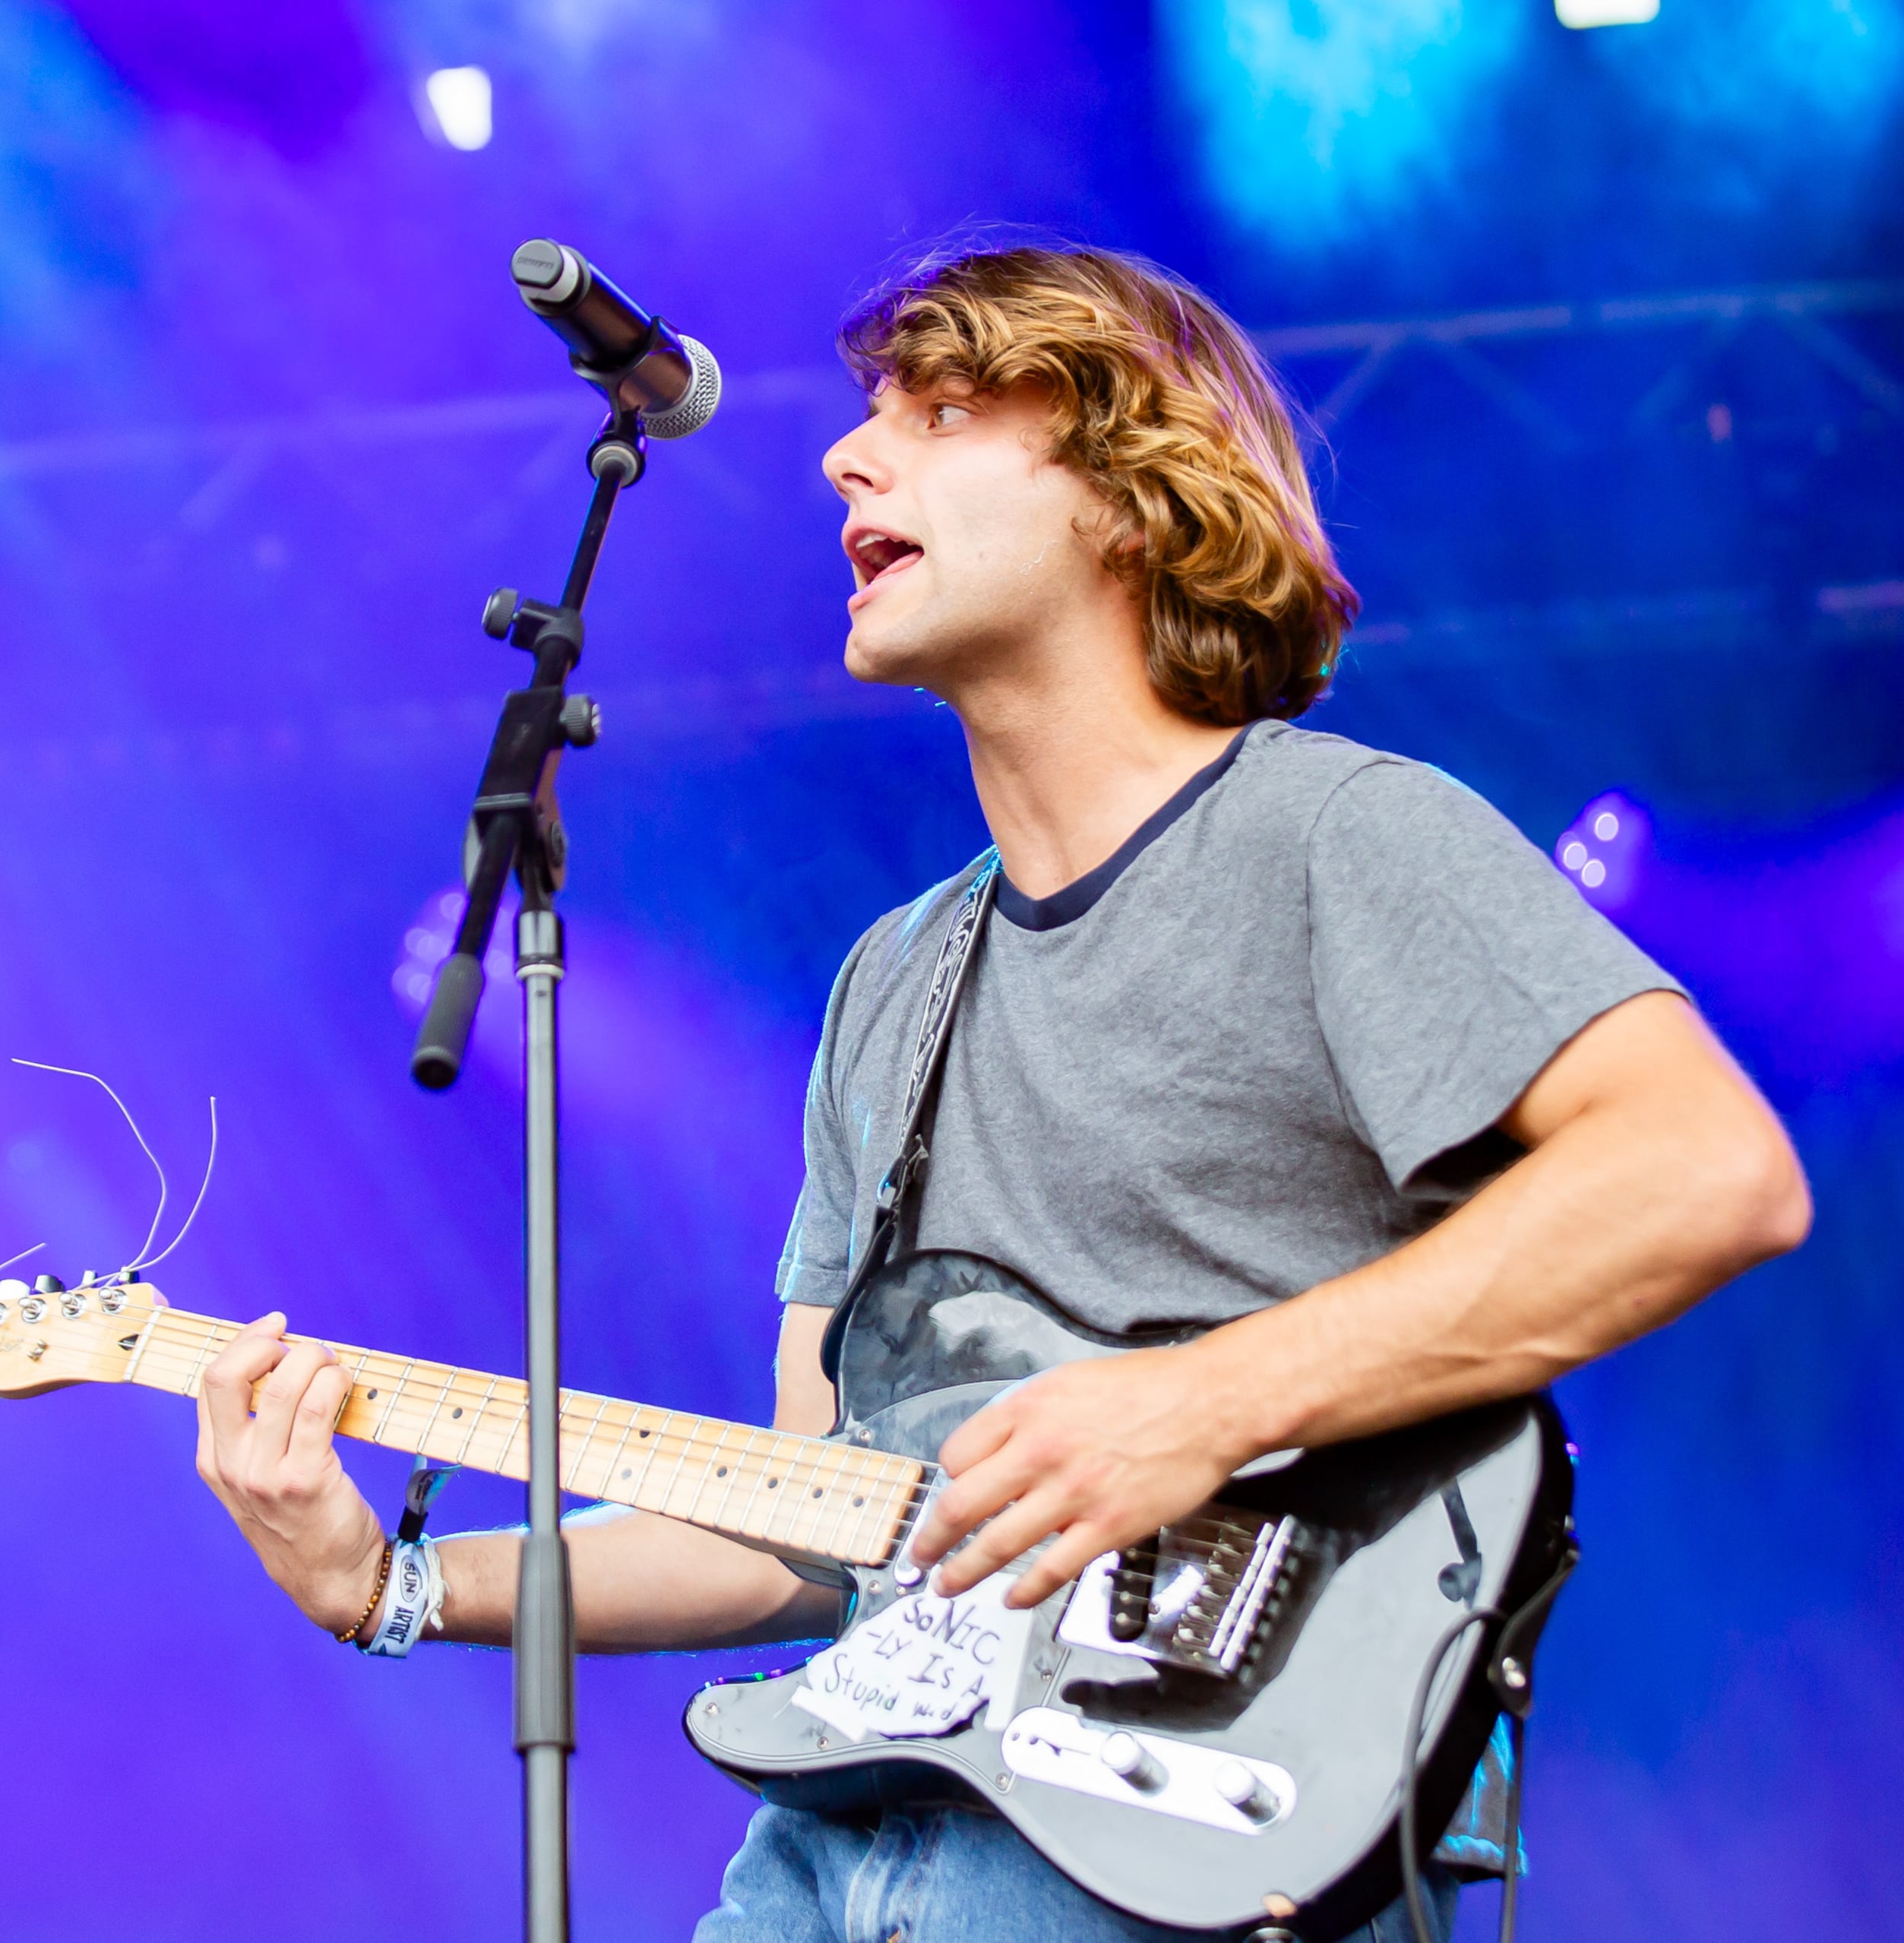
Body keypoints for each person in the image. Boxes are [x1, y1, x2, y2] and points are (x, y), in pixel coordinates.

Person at [191, 245, 1811, 1941]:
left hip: (1187, 1842)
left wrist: (1199, 1408)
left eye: (945, 410)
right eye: (872, 412)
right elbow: (812, 1516)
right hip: (841, 1852)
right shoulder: (893, 980)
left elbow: (1707, 1170)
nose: (846, 455)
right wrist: (393, 1583)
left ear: (1134, 495)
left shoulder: (1336, 835)